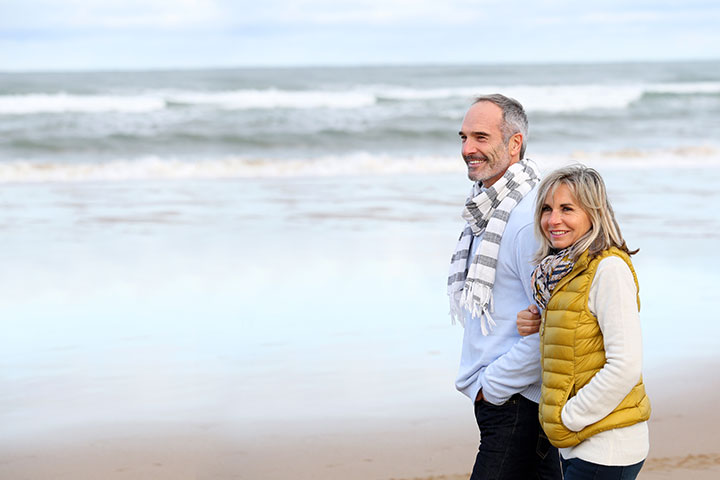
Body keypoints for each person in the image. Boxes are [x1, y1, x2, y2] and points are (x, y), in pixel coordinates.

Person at [448, 94, 562, 480]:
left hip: (516, 401)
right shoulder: (487, 208)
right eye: (463, 137)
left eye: (480, 137)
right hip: (502, 398)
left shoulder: (527, 217)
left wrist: (494, 385)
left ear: (514, 144)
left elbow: (553, 323)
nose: (467, 149)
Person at [516, 165, 650, 480]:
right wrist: (540, 322)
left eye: (567, 209)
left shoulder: (609, 270)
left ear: (593, 213)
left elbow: (626, 364)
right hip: (580, 443)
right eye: (547, 209)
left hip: (607, 443)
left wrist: (570, 418)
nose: (553, 220)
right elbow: (581, 332)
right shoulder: (562, 272)